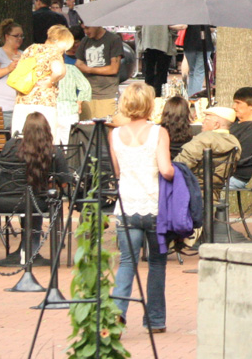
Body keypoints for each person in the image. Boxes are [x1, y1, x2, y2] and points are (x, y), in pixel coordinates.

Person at [110, 81, 174, 333]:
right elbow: (166, 170)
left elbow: (116, 171)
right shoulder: (159, 132)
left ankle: (117, 314)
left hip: (127, 205)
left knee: (127, 262)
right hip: (155, 205)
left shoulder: (114, 134)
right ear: (150, 104)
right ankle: (155, 320)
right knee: (157, 265)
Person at [0, 113, 65, 264]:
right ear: (47, 129)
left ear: (25, 129)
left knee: (29, 198)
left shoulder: (10, 145)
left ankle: (24, 249)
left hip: (4, 201)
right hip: (36, 203)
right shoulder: (52, 151)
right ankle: (30, 252)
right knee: (38, 198)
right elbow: (64, 181)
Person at [13, 24, 76, 135]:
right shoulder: (54, 52)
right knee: (45, 139)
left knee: (21, 138)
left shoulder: (31, 48)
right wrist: (51, 81)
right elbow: (58, 71)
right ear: (59, 41)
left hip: (23, 100)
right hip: (44, 103)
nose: (65, 50)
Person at [175, 106, 241, 191]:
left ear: (216, 125)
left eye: (206, 120)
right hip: (216, 190)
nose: (203, 122)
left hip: (192, 190)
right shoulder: (235, 142)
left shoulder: (204, 139)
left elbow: (180, 164)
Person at [0, 18, 27, 130]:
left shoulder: (24, 54)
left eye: (21, 36)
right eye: (16, 35)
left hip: (20, 107)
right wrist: (9, 68)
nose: (19, 39)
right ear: (7, 36)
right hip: (2, 107)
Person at [78, 24, 125, 119]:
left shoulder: (113, 39)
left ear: (96, 24)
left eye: (88, 28)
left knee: (106, 128)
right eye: (84, 29)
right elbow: (78, 63)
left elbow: (114, 68)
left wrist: (89, 69)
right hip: (88, 94)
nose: (86, 32)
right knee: (87, 129)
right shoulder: (85, 41)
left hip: (107, 94)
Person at [227, 87, 252, 191]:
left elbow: (242, 157)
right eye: (234, 102)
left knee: (194, 185)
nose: (234, 106)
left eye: (238, 103)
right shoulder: (235, 123)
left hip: (234, 177)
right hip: (220, 172)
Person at [182, 24, 214, 99]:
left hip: (189, 42)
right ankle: (195, 98)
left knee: (192, 72)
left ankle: (190, 97)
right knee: (199, 72)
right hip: (205, 43)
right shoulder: (207, 15)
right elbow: (213, 28)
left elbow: (183, 26)